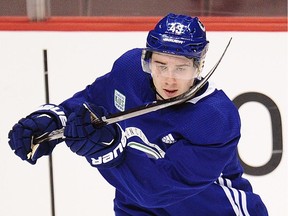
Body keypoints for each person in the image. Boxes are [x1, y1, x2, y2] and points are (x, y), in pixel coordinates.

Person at [8, 13, 268, 215]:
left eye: (181, 68)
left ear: (199, 65)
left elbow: (157, 190)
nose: (169, 78)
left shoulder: (214, 118)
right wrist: (53, 120)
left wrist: (107, 151)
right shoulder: (129, 72)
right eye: (161, 64)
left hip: (214, 210)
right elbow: (91, 101)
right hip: (136, 210)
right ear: (148, 59)